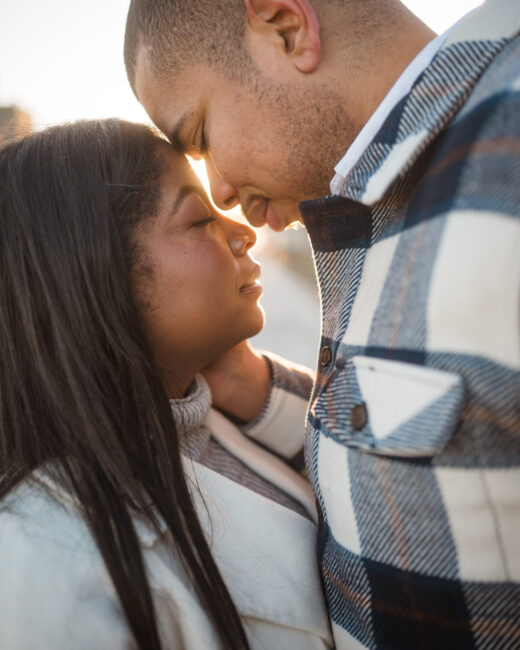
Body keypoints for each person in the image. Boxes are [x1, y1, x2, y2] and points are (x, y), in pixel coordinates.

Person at [124, 0, 520, 648]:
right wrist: (252, 390)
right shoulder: (379, 205)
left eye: (198, 133)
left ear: (287, 27)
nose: (217, 189)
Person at [0, 119, 333, 650]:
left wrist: (254, 385)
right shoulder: (40, 558)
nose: (244, 231)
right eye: (200, 218)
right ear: (96, 277)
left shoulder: (211, 413)